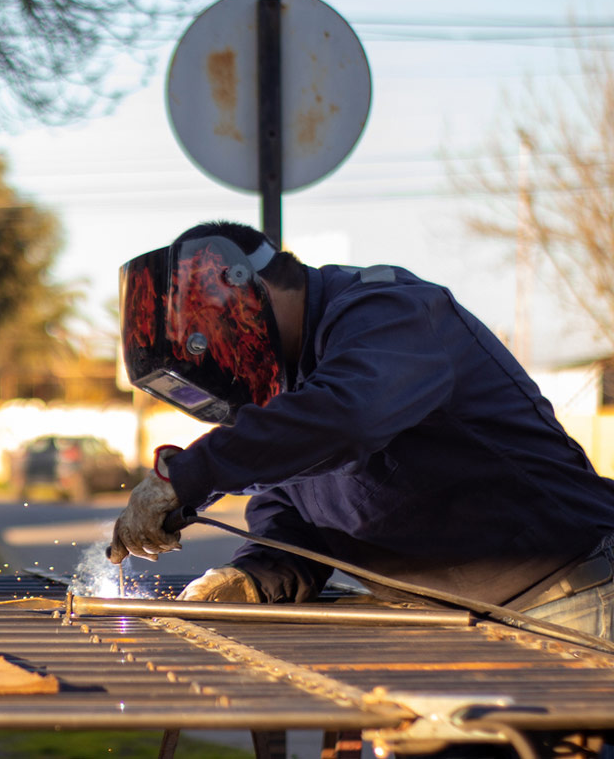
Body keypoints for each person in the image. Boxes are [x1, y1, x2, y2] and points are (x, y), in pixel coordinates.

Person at [107, 220, 614, 638]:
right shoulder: (291, 395)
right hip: (456, 624)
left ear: (243, 296)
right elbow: (298, 522)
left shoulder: (389, 314)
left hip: (571, 599)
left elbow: (346, 418)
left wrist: (194, 473)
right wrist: (253, 576)